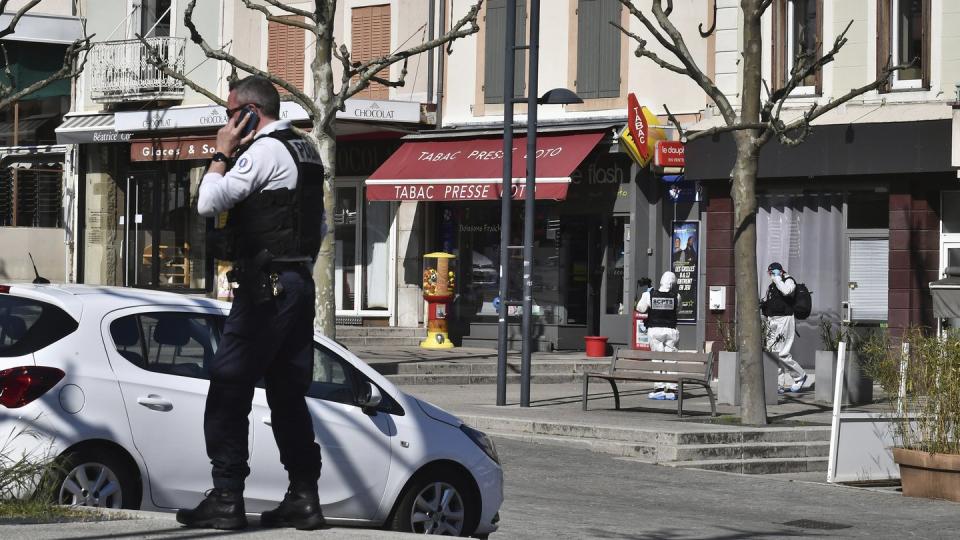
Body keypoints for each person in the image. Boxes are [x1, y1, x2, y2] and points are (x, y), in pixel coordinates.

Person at [175, 76, 326, 531]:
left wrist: (222, 151)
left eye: (229, 113)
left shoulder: (262, 150)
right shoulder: (308, 150)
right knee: (287, 394)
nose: (226, 121)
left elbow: (209, 201)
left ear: (249, 113)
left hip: (267, 288)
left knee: (228, 386)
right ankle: (304, 496)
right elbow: (317, 227)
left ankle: (226, 498)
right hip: (297, 283)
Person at [761, 262, 807, 393]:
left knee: (782, 353)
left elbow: (787, 292)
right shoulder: (772, 286)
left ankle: (800, 376)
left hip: (785, 319)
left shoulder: (789, 281)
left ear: (780, 271)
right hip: (772, 320)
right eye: (769, 273)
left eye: (772, 273)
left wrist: (778, 279)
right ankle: (778, 384)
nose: (770, 275)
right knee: (772, 353)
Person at [636, 271, 681, 400]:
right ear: (673, 284)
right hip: (671, 330)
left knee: (657, 358)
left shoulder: (649, 294)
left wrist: (645, 296)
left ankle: (659, 387)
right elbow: (678, 310)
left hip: (654, 330)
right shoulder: (676, 296)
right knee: (671, 359)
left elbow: (640, 308)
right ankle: (672, 387)